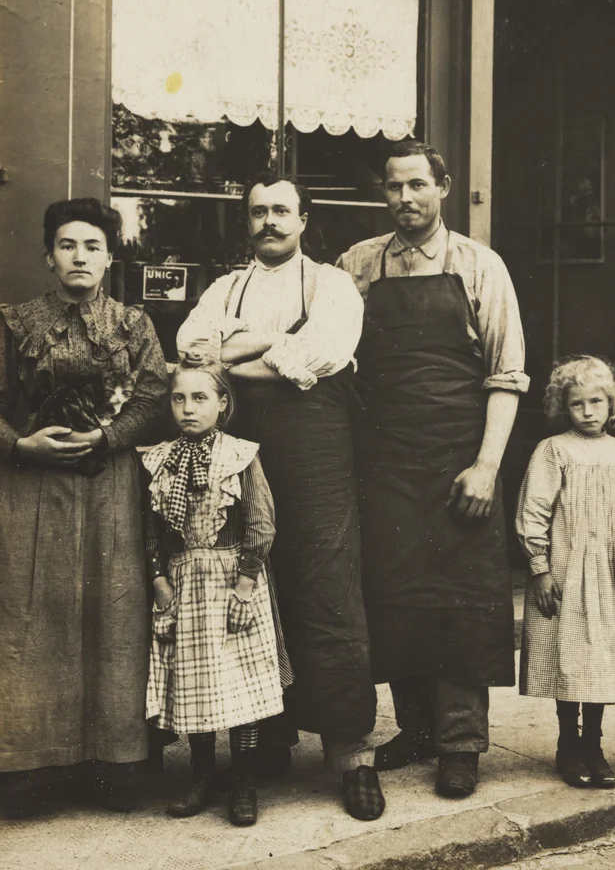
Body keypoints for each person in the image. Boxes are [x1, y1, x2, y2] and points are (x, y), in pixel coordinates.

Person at [175, 175, 382, 822]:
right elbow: (192, 350)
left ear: (304, 219)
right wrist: (270, 347)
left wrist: (243, 348)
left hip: (316, 447)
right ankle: (266, 742)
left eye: (281, 211)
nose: (269, 221)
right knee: (249, 581)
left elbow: (321, 354)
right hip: (239, 443)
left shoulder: (334, 285)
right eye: (258, 211)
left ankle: (352, 756)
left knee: (325, 588)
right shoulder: (223, 288)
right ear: (247, 220)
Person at [337, 140, 529, 800]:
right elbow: (331, 358)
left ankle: (460, 744)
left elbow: (506, 377)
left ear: (443, 188)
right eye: (393, 188)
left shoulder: (481, 266)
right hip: (386, 460)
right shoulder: (358, 265)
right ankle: (415, 728)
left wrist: (486, 465)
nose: (404, 199)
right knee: (393, 598)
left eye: (417, 185)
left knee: (461, 605)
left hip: (459, 462)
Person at [0, 197, 168, 818]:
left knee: (114, 613)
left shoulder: (132, 325)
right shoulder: (15, 322)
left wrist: (109, 436)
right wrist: (22, 445)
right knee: (33, 615)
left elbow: (154, 398)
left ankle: (114, 759)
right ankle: (28, 763)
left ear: (109, 257)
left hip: (110, 489)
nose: (79, 256)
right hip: (29, 491)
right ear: (49, 256)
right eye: (67, 245)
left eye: (92, 246)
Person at [143, 360, 291, 827]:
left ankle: (243, 781)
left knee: (240, 684)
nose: (188, 408)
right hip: (184, 583)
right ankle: (202, 775)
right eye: (179, 398)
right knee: (196, 684)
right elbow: (151, 531)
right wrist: (159, 579)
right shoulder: (159, 458)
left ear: (223, 403)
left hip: (232, 581)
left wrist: (246, 581)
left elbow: (260, 521)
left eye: (201, 398)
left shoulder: (239, 455)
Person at [516, 356, 615, 788]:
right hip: (567, 571)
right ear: (564, 407)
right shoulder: (553, 450)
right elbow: (533, 512)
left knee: (602, 659)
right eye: (578, 404)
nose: (590, 411)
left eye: (597, 401)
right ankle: (567, 744)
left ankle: (593, 744)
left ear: (610, 403)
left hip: (612, 575)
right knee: (571, 657)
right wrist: (540, 568)